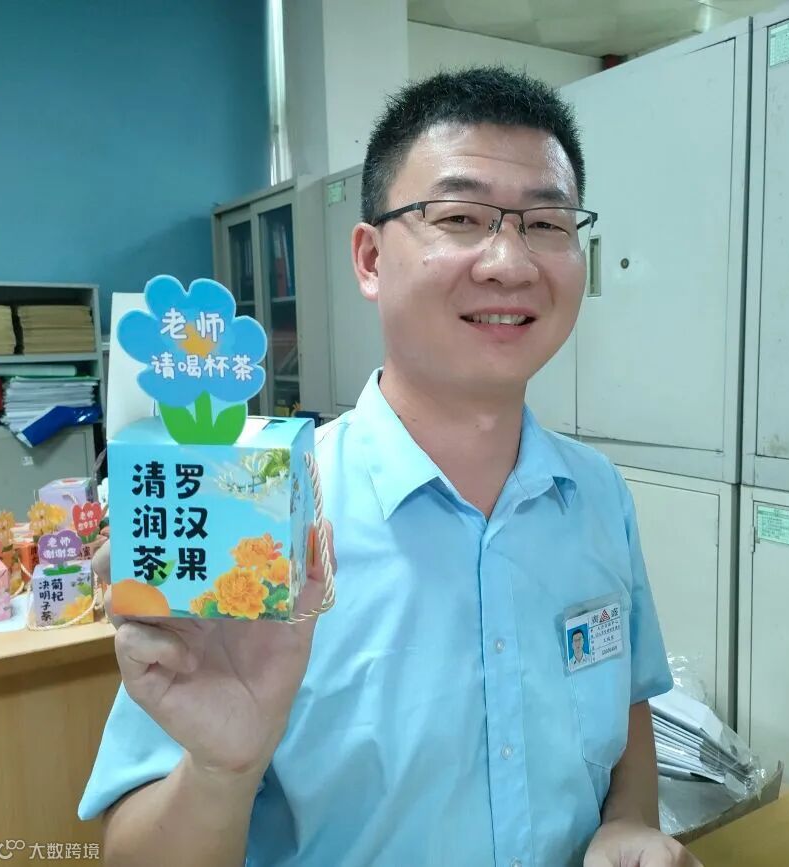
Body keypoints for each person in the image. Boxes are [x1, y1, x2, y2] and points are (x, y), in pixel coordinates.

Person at [80, 67, 701, 867]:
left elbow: (627, 704)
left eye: (547, 224)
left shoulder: (595, 495)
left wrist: (627, 819)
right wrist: (220, 772)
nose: (509, 262)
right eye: (460, 217)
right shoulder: (256, 515)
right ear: (370, 258)